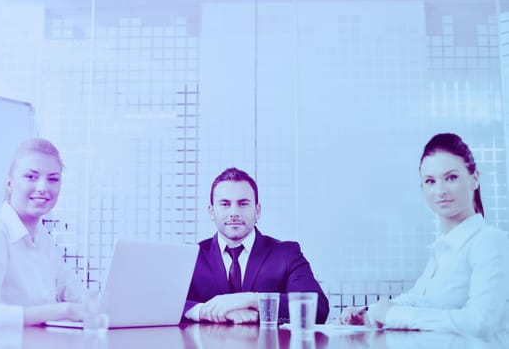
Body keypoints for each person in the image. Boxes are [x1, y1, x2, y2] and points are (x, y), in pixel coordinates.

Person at [338, 133, 509, 337]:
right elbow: (415, 300)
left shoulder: (489, 241)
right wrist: (368, 314)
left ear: (475, 179)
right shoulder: (443, 249)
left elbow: (481, 323)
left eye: (451, 177)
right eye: (430, 181)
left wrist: (392, 315)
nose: (441, 190)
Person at [183, 167, 329, 324]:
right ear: (211, 212)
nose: (234, 212)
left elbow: (318, 308)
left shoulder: (286, 253)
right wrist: (204, 311)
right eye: (225, 204)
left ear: (257, 211)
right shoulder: (191, 256)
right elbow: (162, 304)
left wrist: (253, 300)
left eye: (243, 203)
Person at [0, 138, 84, 330]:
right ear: (9, 182)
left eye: (53, 179)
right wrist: (64, 310)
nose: (43, 188)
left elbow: (79, 297)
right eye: (31, 177)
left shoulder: (44, 239)